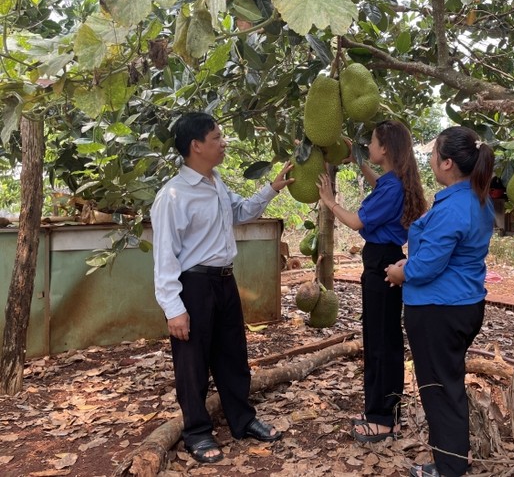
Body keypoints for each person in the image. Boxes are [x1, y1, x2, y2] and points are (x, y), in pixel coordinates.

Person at [151, 112, 293, 464]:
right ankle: (197, 432)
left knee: (233, 357)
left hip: (225, 282)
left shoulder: (215, 183)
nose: (223, 142)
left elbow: (239, 212)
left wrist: (272, 188)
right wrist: (173, 308)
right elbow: (164, 257)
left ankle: (242, 420)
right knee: (192, 364)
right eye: (217, 138)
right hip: (193, 285)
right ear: (196, 146)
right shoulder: (172, 196)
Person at [385, 126, 495, 477]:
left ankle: (448, 468)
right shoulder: (476, 198)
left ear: (447, 163)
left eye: (434, 154)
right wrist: (411, 263)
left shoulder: (453, 207)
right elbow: (444, 254)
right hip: (463, 304)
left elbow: (429, 266)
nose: (430, 159)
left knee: (439, 389)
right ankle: (452, 459)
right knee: (448, 383)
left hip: (439, 311)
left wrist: (401, 272)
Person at [316, 120, 427, 443]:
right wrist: (360, 161)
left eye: (373, 143)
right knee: (383, 337)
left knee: (381, 341)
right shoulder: (395, 181)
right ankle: (383, 411)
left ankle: (383, 418)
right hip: (385, 259)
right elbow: (379, 183)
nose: (369, 148)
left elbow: (356, 221)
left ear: (386, 149)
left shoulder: (392, 187)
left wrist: (329, 199)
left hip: (381, 263)